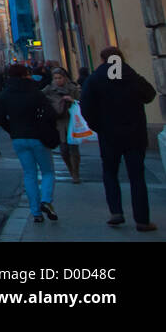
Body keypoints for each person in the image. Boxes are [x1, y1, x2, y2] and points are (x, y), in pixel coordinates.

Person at [81, 46, 158, 231]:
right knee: (137, 177)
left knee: (110, 174)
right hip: (134, 134)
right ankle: (142, 220)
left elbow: (86, 106)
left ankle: (116, 212)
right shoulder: (131, 76)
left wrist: (97, 127)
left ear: (102, 60)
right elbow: (149, 95)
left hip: (109, 135)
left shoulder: (95, 79)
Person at [0, 63, 58, 224]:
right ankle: (46, 200)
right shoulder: (35, 92)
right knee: (47, 171)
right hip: (38, 136)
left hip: (18, 138)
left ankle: (35, 212)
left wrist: (12, 129)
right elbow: (50, 113)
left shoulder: (6, 94)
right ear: (24, 75)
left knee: (29, 174)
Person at [42, 67, 81, 183]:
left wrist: (72, 100)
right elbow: (40, 98)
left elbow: (81, 102)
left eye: (60, 78)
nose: (58, 80)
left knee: (74, 149)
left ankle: (76, 173)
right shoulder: (49, 90)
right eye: (55, 78)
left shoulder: (72, 88)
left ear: (65, 78)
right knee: (63, 150)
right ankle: (70, 169)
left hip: (72, 121)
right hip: (58, 122)